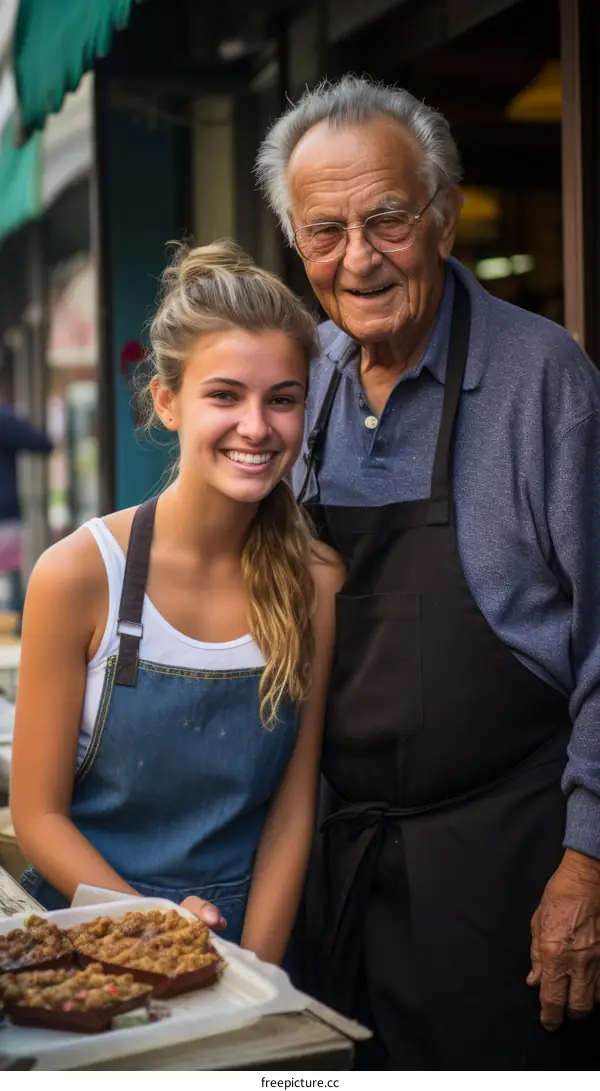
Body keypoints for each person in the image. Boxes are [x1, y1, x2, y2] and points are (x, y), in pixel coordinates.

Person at [256, 75, 600, 1067]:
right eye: (326, 231)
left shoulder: (545, 381)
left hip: (508, 868)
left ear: (444, 219)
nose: (357, 258)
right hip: (336, 863)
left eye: (388, 219)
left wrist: (587, 867)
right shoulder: (300, 378)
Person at [11, 241, 343, 965]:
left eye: (281, 399)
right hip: (86, 936)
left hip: (251, 933)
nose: (256, 427)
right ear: (167, 401)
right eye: (224, 394)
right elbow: (38, 816)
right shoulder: (78, 574)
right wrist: (155, 931)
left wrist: (255, 972)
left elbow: (292, 814)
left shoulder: (317, 580)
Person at [0, 398, 52, 621]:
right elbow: (42, 444)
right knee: (11, 575)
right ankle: (15, 624)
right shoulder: (3, 420)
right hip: (4, 512)